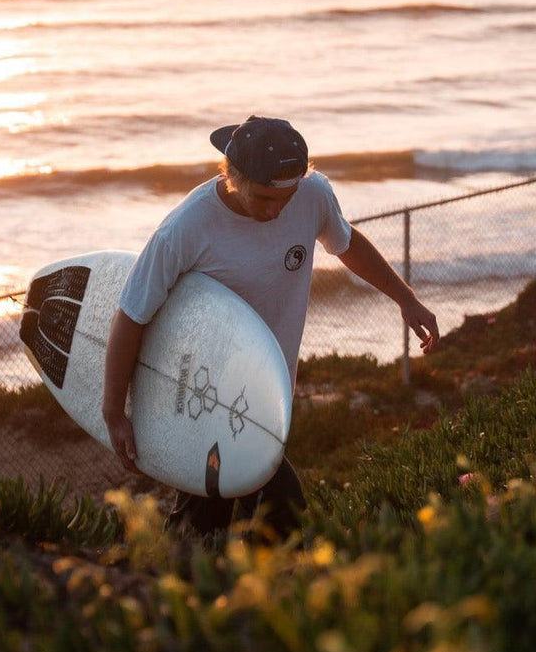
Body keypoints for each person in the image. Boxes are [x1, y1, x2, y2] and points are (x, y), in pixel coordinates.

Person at [102, 116, 438, 541]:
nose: (277, 209)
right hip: (202, 399)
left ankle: (225, 591)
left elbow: (346, 243)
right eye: (264, 197)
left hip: (268, 400)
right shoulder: (185, 228)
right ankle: (186, 591)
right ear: (232, 176)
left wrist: (406, 299)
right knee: (250, 516)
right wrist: (114, 410)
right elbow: (131, 314)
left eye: (288, 195)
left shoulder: (312, 194)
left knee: (251, 522)